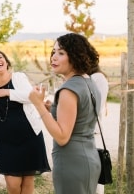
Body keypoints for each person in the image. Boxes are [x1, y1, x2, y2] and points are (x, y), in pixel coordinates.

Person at [0, 49, 51, 194]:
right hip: (4, 141)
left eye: (0, 57)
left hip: (30, 136)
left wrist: (7, 92)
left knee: (28, 182)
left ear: (6, 62)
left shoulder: (18, 77)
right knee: (12, 185)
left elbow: (31, 96)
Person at [29, 33, 102, 194]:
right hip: (90, 157)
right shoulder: (89, 82)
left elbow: (62, 137)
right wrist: (52, 111)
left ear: (75, 56)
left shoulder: (68, 89)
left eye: (61, 53)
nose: (53, 57)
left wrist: (38, 105)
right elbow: (81, 118)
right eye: (53, 52)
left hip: (71, 162)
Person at [89, 66, 109, 194]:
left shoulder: (97, 78)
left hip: (92, 132)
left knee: (94, 176)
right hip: (85, 132)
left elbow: (95, 107)